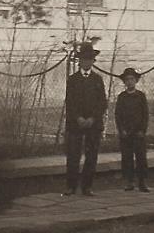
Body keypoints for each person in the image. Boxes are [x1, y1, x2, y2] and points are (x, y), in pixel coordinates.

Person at [64, 41, 107, 196]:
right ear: (79, 61)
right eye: (84, 59)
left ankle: (87, 186)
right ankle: (70, 186)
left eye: (90, 59)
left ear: (93, 61)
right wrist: (78, 118)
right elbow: (70, 102)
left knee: (91, 155)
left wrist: (93, 118)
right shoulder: (73, 80)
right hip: (76, 124)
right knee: (73, 155)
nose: (87, 62)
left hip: (93, 124)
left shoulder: (98, 80)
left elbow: (102, 102)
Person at [115, 67, 150, 193]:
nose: (129, 82)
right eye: (127, 80)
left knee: (141, 157)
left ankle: (142, 182)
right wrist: (121, 130)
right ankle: (130, 181)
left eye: (132, 79)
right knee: (127, 157)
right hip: (126, 133)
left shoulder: (140, 96)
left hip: (138, 133)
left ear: (136, 81)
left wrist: (142, 130)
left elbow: (145, 115)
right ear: (124, 82)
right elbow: (117, 115)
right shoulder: (121, 97)